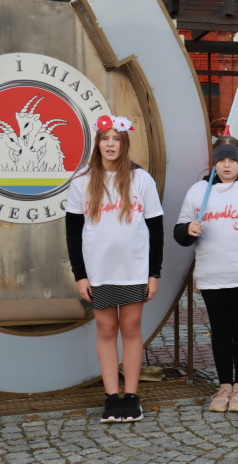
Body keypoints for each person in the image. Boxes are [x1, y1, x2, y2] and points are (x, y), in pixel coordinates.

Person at [65, 114, 164, 423]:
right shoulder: (81, 182)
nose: (110, 144)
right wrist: (80, 275)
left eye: (116, 139)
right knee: (106, 330)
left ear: (124, 144)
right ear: (97, 143)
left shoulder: (141, 180)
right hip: (99, 271)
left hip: (133, 269)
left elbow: (156, 229)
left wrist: (154, 273)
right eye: (105, 139)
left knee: (131, 329)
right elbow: (72, 231)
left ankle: (131, 397)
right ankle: (111, 397)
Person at [174, 137, 238, 413]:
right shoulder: (198, 191)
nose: (227, 165)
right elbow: (180, 232)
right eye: (221, 160)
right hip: (211, 275)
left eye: (232, 160)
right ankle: (224, 385)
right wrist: (187, 230)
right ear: (214, 163)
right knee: (219, 331)